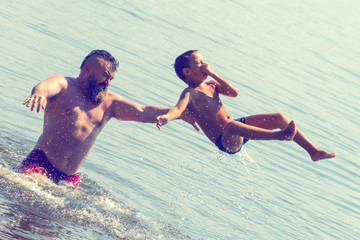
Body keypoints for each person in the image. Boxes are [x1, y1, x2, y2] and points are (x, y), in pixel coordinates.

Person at [20, 49, 197, 188]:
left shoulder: (109, 103)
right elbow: (44, 86)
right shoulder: (64, 85)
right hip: (40, 166)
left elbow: (143, 111)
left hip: (70, 179)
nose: (108, 82)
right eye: (105, 75)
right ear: (88, 69)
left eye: (111, 78)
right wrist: (39, 94)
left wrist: (177, 113)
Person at [156, 50, 336, 161]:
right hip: (226, 140)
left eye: (205, 61)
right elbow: (178, 109)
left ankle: (314, 152)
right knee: (233, 126)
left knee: (279, 117)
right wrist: (166, 117)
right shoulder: (190, 93)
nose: (205, 64)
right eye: (200, 63)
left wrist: (213, 73)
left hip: (238, 127)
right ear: (187, 71)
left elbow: (234, 93)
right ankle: (280, 136)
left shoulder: (211, 85)